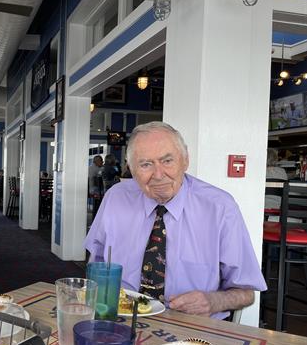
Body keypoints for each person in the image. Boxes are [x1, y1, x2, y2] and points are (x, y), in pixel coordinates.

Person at [84, 122, 267, 319]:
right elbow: (96, 268)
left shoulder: (220, 208)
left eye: (167, 161)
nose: (159, 175)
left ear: (185, 161)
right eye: (146, 164)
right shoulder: (115, 198)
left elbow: (246, 293)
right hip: (120, 321)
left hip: (192, 328)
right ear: (131, 169)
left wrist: (213, 302)